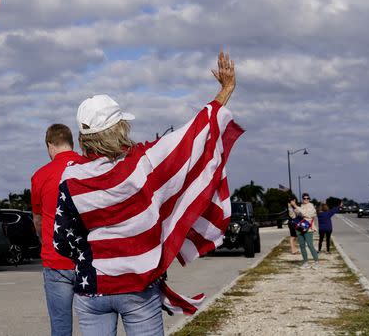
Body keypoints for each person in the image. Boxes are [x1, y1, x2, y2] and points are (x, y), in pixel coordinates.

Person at [53, 51, 243, 335]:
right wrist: (225, 90)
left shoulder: (70, 178)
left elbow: (62, 241)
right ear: (118, 129)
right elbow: (193, 135)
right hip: (138, 286)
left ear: (84, 137)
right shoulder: (143, 164)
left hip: (91, 287)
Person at [31, 124, 86, 336]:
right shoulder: (89, 166)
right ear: (71, 143)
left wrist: (44, 239)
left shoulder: (40, 175)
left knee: (61, 326)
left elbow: (37, 219)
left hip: (56, 259)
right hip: (89, 258)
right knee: (96, 323)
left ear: (50, 145)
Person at [289, 194, 319, 269]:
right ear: (302, 199)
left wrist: (295, 206)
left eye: (307, 198)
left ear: (309, 199)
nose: (306, 199)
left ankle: (317, 262)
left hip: (308, 228)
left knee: (310, 245)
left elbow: (306, 214)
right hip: (299, 228)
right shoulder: (301, 206)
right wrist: (290, 206)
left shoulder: (311, 206)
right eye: (304, 198)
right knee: (302, 246)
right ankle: (305, 262)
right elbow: (293, 216)